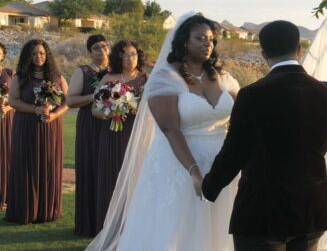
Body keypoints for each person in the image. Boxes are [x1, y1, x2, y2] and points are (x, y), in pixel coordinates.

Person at [86, 13, 240, 251]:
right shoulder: (165, 78)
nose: (207, 43)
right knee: (178, 230)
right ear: (184, 42)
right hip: (178, 165)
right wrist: (195, 172)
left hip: (220, 166)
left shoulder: (224, 79)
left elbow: (243, 119)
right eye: (199, 37)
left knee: (219, 229)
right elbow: (170, 130)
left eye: (210, 38)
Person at [202, 20, 327, 251]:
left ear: (263, 53)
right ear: (299, 49)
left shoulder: (253, 95)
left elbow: (235, 151)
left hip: (264, 210)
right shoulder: (325, 93)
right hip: (312, 206)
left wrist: (209, 188)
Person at [5, 39, 69, 224]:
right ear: (27, 56)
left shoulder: (57, 77)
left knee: (48, 164)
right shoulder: (21, 77)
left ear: (47, 54)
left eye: (41, 53)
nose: (38, 57)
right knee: (26, 165)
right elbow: (14, 101)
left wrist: (55, 114)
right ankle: (26, 210)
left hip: (51, 128)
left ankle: (47, 210)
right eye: (33, 54)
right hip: (26, 126)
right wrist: (36, 110)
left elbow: (68, 100)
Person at [92, 40, 148, 232]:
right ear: (118, 56)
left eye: (133, 54)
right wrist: (111, 112)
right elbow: (95, 109)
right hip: (112, 133)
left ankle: (134, 227)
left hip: (138, 133)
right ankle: (110, 226)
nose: (130, 58)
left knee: (136, 176)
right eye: (125, 54)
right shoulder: (109, 78)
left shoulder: (146, 79)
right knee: (111, 175)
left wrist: (135, 109)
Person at [67, 34, 109, 236]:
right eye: (96, 48)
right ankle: (89, 222)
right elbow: (71, 101)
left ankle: (110, 222)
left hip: (113, 126)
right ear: (90, 52)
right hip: (89, 125)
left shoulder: (117, 72)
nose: (102, 50)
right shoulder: (82, 71)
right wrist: (94, 96)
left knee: (110, 170)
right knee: (90, 167)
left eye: (104, 46)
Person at [0, 42, 14, 209]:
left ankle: (6, 195)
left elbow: (17, 97)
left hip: (7, 118)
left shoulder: (10, 73)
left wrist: (8, 106)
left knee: (7, 155)